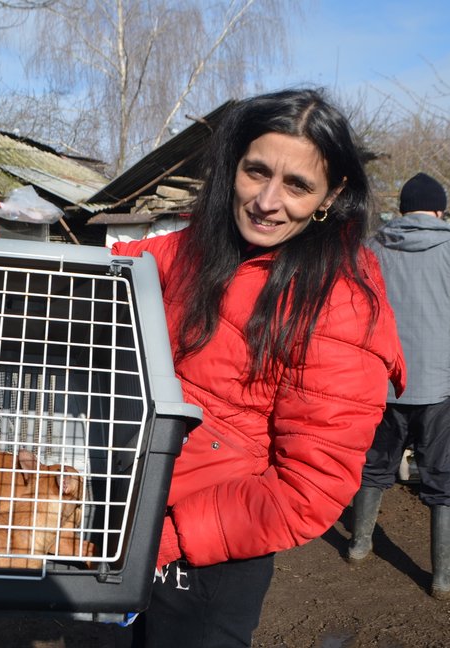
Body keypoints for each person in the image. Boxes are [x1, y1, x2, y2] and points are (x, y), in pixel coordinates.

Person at [109, 88, 406, 647]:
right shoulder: (194, 249)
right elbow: (85, 282)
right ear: (233, 165)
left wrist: (164, 537)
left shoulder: (339, 302)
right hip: (133, 508)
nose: (269, 201)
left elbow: (309, 489)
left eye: (298, 185)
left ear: (332, 194)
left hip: (210, 547)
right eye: (257, 172)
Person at [350, 172, 450, 599]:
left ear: (402, 209)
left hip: (384, 379)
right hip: (440, 383)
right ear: (439, 210)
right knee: (444, 472)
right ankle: (443, 576)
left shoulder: (371, 246)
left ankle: (359, 544)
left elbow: (344, 302)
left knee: (375, 463)